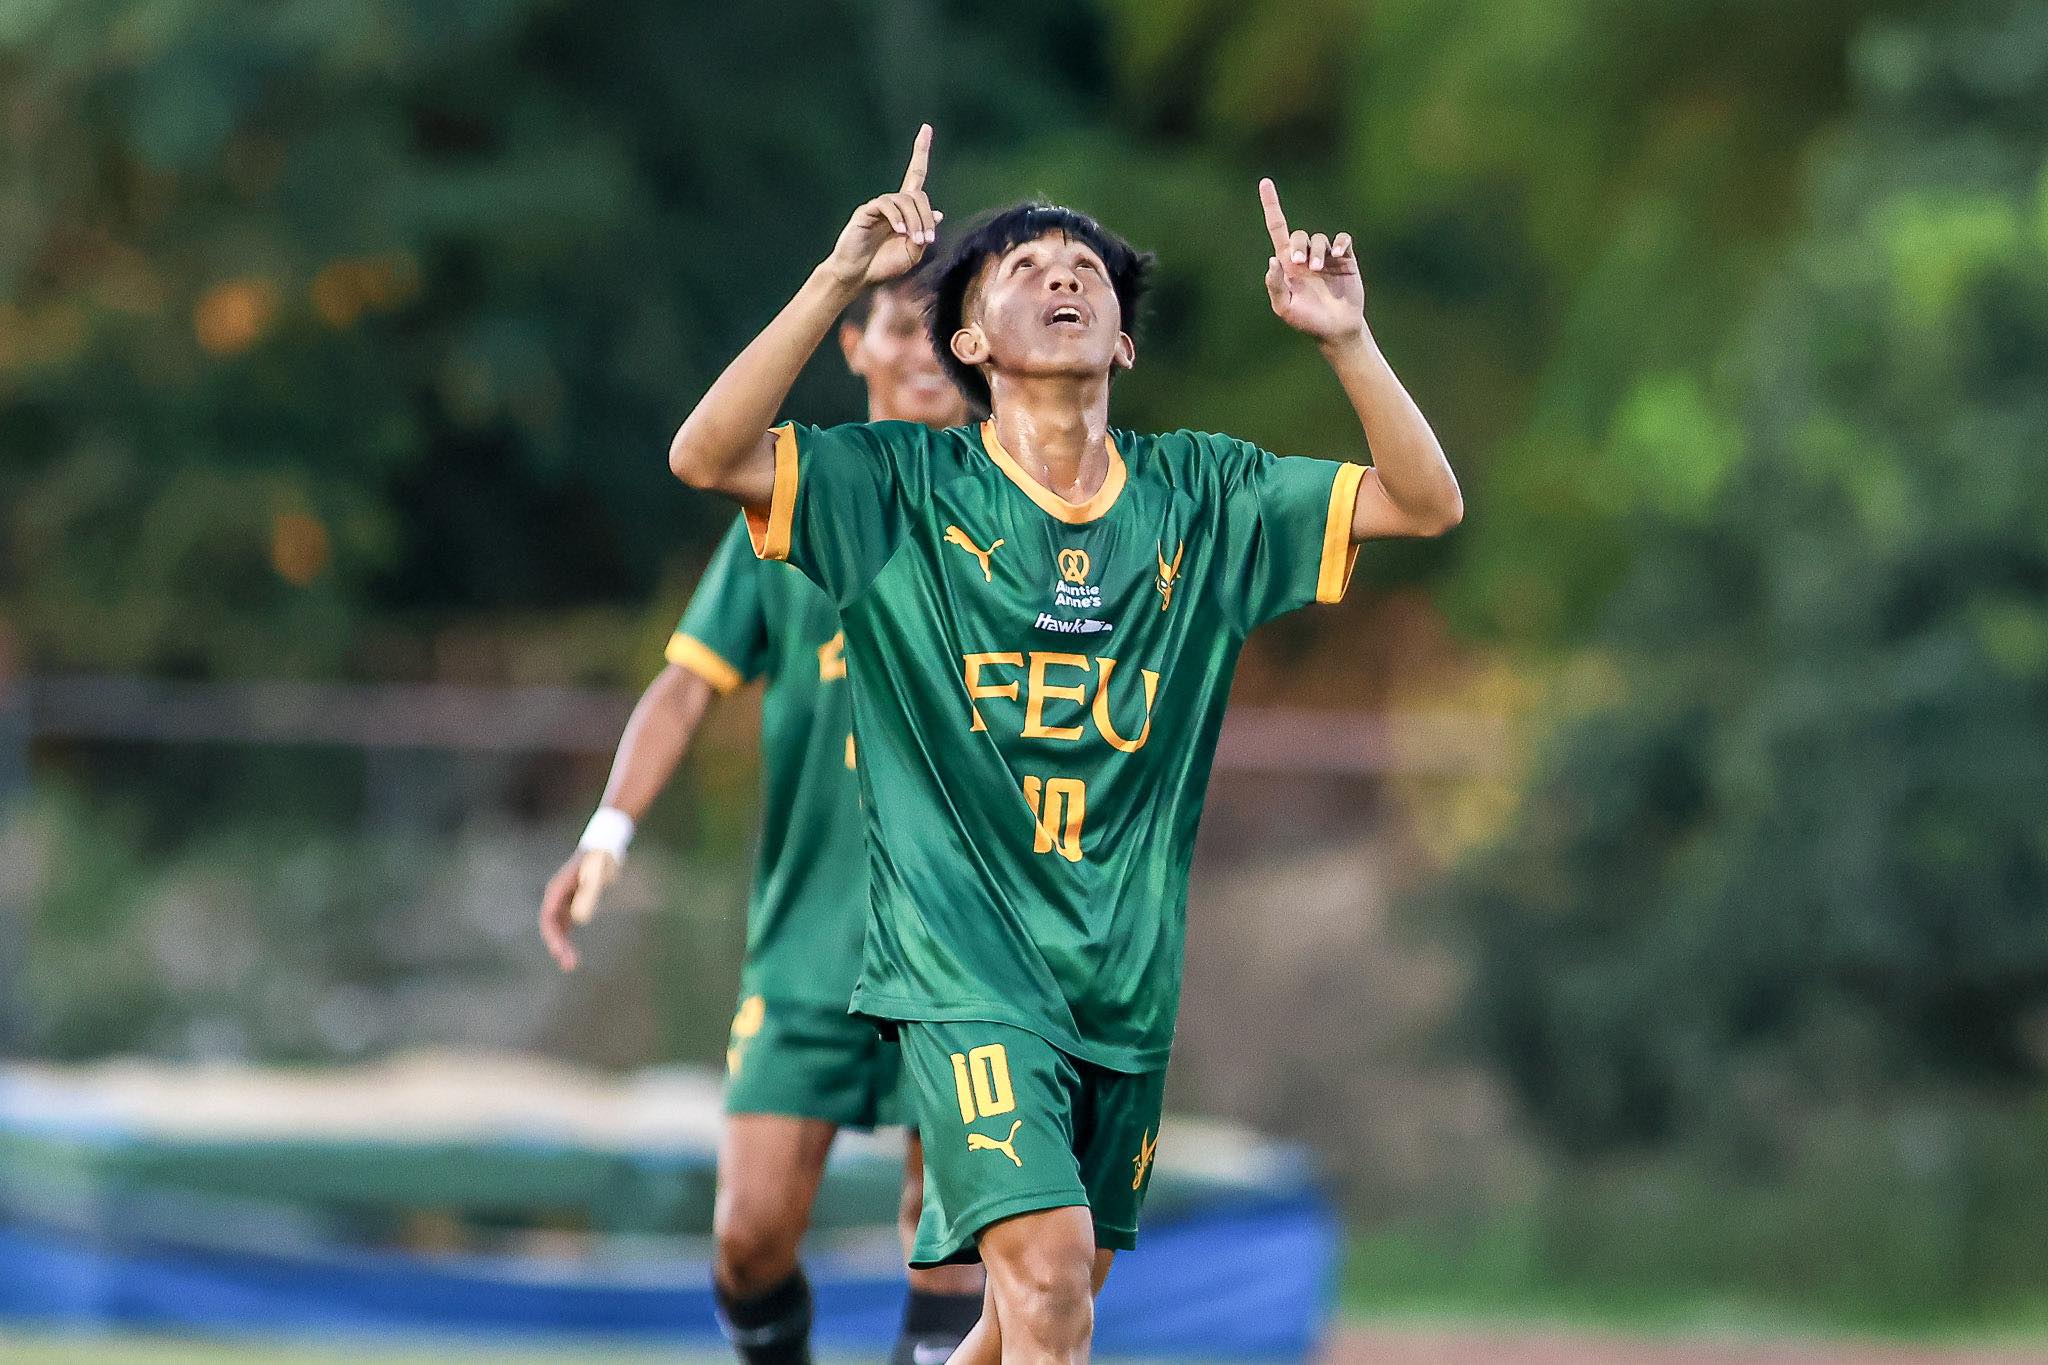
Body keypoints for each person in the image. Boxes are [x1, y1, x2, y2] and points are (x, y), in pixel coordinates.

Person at [667, 124, 1462, 1363]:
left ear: (1124, 342)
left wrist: (1347, 341)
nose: (1063, 273)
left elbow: (1424, 500)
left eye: (1084, 266)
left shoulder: (1205, 494)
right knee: (1043, 1292)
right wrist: (835, 277)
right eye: (1023, 265)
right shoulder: (899, 493)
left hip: (1122, 986)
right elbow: (704, 455)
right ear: (968, 343)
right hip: (960, 975)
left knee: (1042, 1306)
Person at [541, 274, 985, 1365]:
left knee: (957, 1249)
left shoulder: (1022, 510)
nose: (923, 352)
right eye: (898, 326)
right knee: (748, 1238)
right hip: (811, 942)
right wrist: (609, 828)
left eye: (944, 331)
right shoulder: (790, 510)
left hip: (975, 939)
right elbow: (685, 683)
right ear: (854, 346)